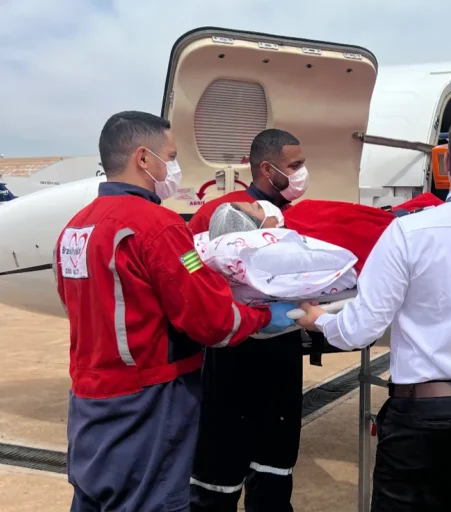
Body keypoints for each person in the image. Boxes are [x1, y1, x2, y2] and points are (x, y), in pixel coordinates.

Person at [296, 109, 451, 512]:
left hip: (428, 414)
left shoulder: (410, 232)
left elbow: (361, 329)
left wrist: (320, 321)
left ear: (447, 163)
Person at [54, 111, 295, 511]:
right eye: (172, 155)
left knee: (94, 499)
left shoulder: (76, 228)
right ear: (144, 159)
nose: (175, 168)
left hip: (89, 401)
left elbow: (74, 303)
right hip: (148, 400)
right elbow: (212, 320)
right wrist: (269, 316)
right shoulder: (157, 227)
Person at [189, 129, 311, 512]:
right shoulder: (219, 212)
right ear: (266, 168)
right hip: (232, 351)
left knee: (276, 461)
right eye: (295, 166)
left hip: (283, 350)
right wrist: (216, 289)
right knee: (219, 464)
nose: (302, 173)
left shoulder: (298, 217)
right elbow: (186, 261)